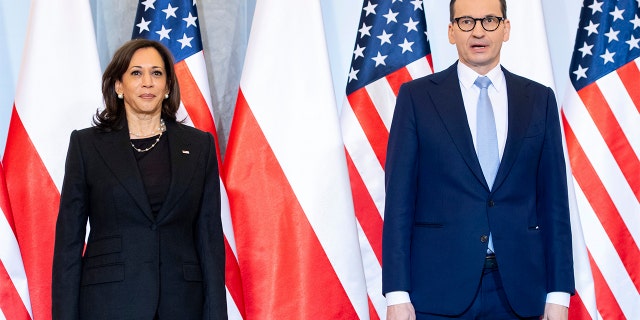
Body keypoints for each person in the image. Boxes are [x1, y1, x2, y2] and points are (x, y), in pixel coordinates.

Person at [381, 0, 574, 319]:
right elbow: (399, 203)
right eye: (466, 21)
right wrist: (396, 295)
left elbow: (554, 205)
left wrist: (559, 294)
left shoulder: (539, 100)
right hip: (437, 291)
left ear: (506, 29)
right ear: (451, 31)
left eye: (490, 20)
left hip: (520, 292)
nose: (479, 31)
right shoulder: (416, 99)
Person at [52, 39, 227, 319]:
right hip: (108, 304)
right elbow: (68, 244)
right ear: (118, 86)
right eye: (136, 73)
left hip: (182, 305)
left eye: (157, 73)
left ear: (168, 86)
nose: (147, 82)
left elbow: (210, 242)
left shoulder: (199, 146)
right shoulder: (86, 146)